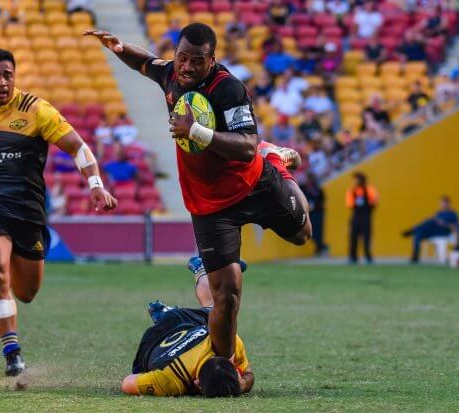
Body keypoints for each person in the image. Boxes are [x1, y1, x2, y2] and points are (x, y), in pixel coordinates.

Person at [85, 23, 311, 360]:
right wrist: (120, 48)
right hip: (210, 205)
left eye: (197, 61)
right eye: (182, 58)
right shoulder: (172, 76)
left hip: (254, 184)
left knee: (302, 235)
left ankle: (276, 159)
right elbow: (147, 63)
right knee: (228, 294)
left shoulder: (229, 89)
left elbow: (248, 147)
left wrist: (197, 130)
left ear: (212, 60)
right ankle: (224, 367)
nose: (187, 67)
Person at [0, 49, 117, 376]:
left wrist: (95, 184)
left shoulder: (37, 110)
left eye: (8, 75)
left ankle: (4, 309)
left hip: (28, 211)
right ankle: (12, 353)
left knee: (26, 292)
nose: (3, 82)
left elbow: (78, 146)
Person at [122, 257, 254, 397]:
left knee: (214, 307)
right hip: (179, 329)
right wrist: (244, 384)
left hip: (158, 339)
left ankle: (205, 269)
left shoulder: (171, 379)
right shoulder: (170, 380)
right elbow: (128, 383)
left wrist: (243, 384)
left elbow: (127, 383)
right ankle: (166, 313)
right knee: (216, 310)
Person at [401, 196, 459, 263]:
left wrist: (444, 224)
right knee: (418, 234)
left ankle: (413, 229)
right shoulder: (439, 213)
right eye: (441, 203)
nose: (442, 205)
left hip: (443, 232)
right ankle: (415, 256)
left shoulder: (453, 214)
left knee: (430, 221)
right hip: (434, 231)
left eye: (443, 203)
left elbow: (456, 227)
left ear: (448, 203)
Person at [346, 172, 378, 263]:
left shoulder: (369, 189)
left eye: (358, 179)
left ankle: (368, 257)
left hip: (366, 217)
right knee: (353, 237)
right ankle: (353, 257)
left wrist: (368, 206)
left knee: (367, 238)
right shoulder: (352, 190)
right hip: (356, 216)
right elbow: (349, 204)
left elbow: (374, 202)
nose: (357, 181)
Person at [300, 172, 328, 255]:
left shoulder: (318, 189)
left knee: (318, 232)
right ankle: (322, 247)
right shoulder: (303, 188)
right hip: (309, 213)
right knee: (309, 232)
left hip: (318, 213)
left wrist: (316, 206)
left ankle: (319, 249)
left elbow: (322, 200)